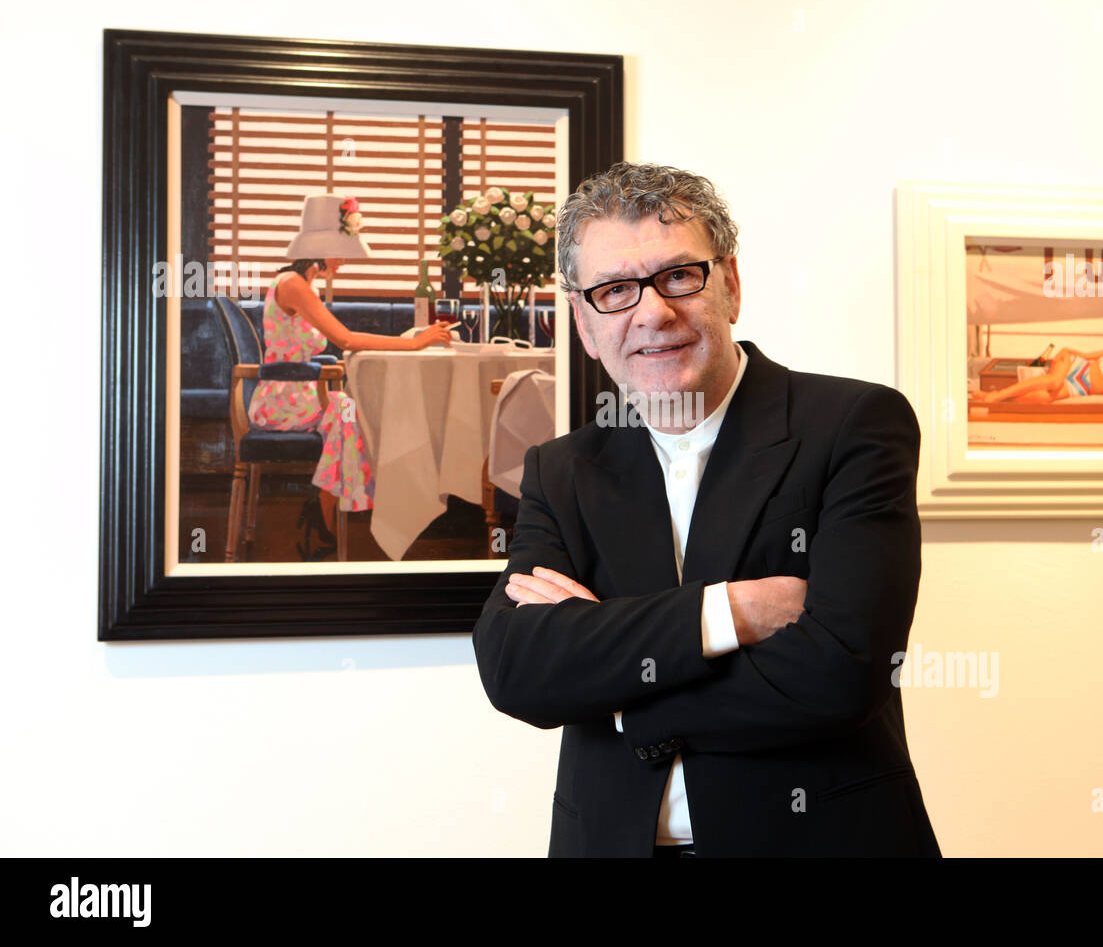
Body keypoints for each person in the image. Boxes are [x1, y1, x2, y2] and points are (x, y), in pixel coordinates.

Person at [472, 162, 941, 857]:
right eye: (614, 290)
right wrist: (731, 612)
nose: (652, 313)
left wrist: (619, 693)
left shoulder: (853, 426)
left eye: (679, 276)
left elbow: (842, 671)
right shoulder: (563, 469)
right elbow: (518, 667)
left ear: (731, 285)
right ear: (583, 322)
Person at [248, 194, 454, 559]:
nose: (343, 261)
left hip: (299, 393)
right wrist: (416, 343)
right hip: (280, 399)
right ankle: (326, 511)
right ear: (318, 248)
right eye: (339, 252)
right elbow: (344, 339)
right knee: (348, 412)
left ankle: (325, 507)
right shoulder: (292, 284)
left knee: (350, 409)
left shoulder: (303, 283)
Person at [970, 333, 1103, 404]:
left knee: (1045, 397)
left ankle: (996, 397)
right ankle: (998, 395)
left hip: (1078, 388)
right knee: (1054, 381)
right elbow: (1085, 356)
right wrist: (1067, 351)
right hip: (1074, 365)